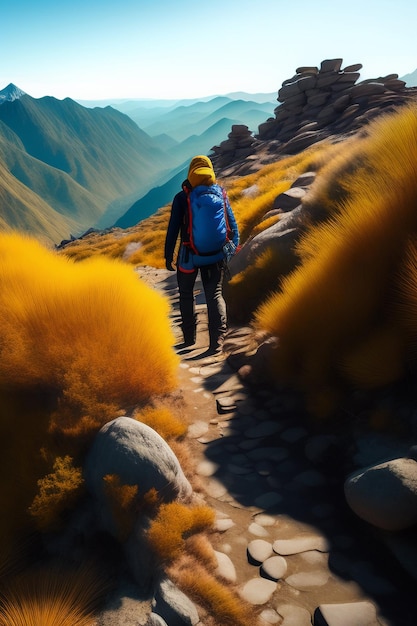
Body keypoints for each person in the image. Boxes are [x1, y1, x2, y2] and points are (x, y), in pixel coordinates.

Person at [164, 155, 239, 354]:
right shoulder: (220, 193)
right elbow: (233, 225)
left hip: (189, 255)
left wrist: (167, 255)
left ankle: (189, 340)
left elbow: (173, 228)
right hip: (215, 254)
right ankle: (217, 343)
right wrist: (230, 251)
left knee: (186, 295)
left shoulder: (182, 197)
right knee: (214, 294)